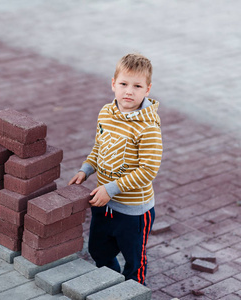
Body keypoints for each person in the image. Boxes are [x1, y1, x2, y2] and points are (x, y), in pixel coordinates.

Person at [68, 53, 163, 285]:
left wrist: (112, 188)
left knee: (134, 261)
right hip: (105, 204)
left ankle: (133, 292)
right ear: (113, 84)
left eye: (137, 86)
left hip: (134, 211)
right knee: (98, 251)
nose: (129, 91)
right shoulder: (106, 114)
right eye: (123, 84)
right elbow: (100, 147)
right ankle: (111, 284)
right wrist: (86, 169)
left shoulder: (148, 128)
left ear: (147, 90)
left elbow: (147, 171)